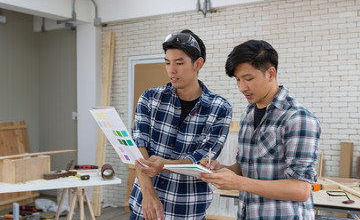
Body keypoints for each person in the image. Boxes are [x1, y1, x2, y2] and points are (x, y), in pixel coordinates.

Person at [198, 40, 321, 219]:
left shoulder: (298, 118)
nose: (241, 87)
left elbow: (300, 189)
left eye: (248, 79)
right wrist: (221, 170)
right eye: (238, 80)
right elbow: (245, 168)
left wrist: (239, 183)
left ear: (271, 73)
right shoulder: (248, 114)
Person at [129, 29, 232, 220]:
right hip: (145, 208)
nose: (171, 70)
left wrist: (164, 164)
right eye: (167, 63)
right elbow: (138, 147)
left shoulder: (220, 108)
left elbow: (203, 159)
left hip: (187, 210)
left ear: (198, 64)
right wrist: (148, 193)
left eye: (179, 63)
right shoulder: (150, 98)